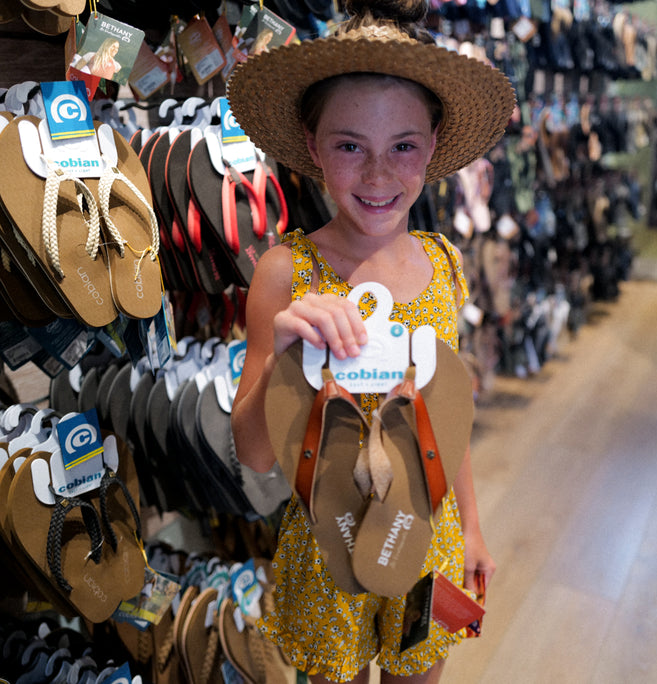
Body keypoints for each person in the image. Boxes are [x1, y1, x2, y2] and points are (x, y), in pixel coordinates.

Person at [226, 0, 515, 681]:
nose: (379, 176)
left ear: (434, 147)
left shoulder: (442, 263)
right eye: (351, 146)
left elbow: (449, 419)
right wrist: (285, 357)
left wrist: (472, 526)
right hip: (333, 544)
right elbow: (255, 452)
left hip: (430, 532)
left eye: (403, 147)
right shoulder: (285, 273)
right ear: (312, 143)